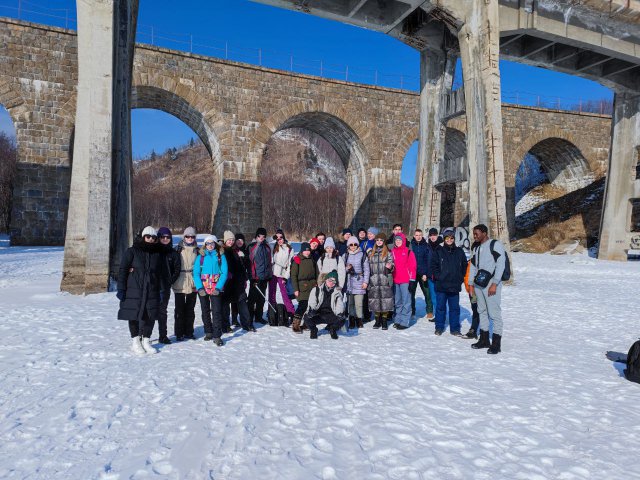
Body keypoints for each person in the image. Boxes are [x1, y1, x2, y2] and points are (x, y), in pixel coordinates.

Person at [117, 226, 168, 355]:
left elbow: (161, 273)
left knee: (150, 315)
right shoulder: (132, 251)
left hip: (152, 289)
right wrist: (121, 288)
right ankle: (135, 341)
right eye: (148, 236)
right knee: (133, 314)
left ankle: (146, 340)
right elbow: (123, 270)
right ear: (143, 237)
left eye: (153, 237)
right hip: (134, 289)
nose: (150, 239)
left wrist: (162, 290)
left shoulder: (157, 254)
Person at [468, 224, 507, 354]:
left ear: (484, 233)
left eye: (477, 234)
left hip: (491, 285)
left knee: (494, 313)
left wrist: (495, 284)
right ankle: (484, 340)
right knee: (481, 311)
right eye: (474, 234)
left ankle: (496, 344)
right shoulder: (476, 247)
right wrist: (470, 284)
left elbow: (501, 264)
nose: (475, 236)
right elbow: (473, 266)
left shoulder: (495, 245)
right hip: (478, 285)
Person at [430, 228, 468, 337]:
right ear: (444, 239)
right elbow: (433, 265)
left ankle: (455, 328)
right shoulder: (439, 250)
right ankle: (439, 327)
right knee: (440, 307)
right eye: (447, 238)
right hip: (441, 285)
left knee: (454, 308)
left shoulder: (459, 251)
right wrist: (438, 277)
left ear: (454, 239)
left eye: (451, 238)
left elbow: (464, 265)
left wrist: (460, 277)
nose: (449, 240)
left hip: (454, 285)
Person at [194, 235, 229, 346]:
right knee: (205, 310)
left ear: (215, 244)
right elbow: (196, 273)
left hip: (216, 287)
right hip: (203, 287)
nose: (210, 245)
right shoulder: (201, 257)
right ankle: (208, 331)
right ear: (205, 245)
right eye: (208, 243)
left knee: (216, 311)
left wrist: (218, 287)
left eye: (212, 243)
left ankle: (217, 335)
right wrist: (199, 287)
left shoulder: (220, 256)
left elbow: (224, 272)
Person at [221, 230, 255, 333]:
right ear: (225, 240)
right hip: (226, 283)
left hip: (238, 282)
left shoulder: (237, 251)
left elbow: (242, 266)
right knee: (225, 306)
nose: (231, 242)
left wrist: (243, 258)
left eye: (232, 240)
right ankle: (225, 326)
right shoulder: (222, 251)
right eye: (229, 240)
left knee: (242, 303)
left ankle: (247, 324)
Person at [172, 226, 199, 341]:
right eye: (187, 236)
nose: (190, 238)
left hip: (193, 281)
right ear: (184, 237)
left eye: (192, 236)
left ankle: (189, 331)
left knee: (190, 309)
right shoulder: (177, 249)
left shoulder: (198, 250)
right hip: (180, 281)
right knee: (179, 309)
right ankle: (179, 332)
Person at [304, 271, 345, 340]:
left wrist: (339, 313)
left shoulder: (337, 292)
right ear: (326, 279)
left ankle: (333, 329)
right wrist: (312, 310)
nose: (331, 283)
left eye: (334, 281)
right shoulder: (316, 290)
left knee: (342, 319)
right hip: (318, 314)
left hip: (331, 314)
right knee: (306, 317)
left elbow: (339, 304)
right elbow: (312, 301)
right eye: (330, 280)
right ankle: (313, 330)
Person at [157, 226, 180, 344]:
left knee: (162, 311)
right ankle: (143, 335)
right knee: (147, 311)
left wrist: (170, 281)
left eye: (168, 237)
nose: (165, 239)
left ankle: (163, 335)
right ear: (159, 237)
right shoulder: (154, 250)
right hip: (152, 286)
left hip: (164, 286)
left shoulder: (173, 253)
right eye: (163, 237)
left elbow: (177, 269)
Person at [268, 230, 295, 326]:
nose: (279, 240)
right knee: (272, 293)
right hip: (273, 272)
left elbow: (290, 265)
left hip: (282, 273)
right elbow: (266, 241)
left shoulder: (289, 248)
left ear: (284, 238)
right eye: (277, 238)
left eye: (281, 238)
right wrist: (273, 237)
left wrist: (285, 277)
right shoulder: (274, 246)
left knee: (285, 294)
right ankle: (271, 313)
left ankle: (291, 313)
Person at [367, 233, 394, 330]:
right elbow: (367, 267)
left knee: (385, 300)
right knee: (375, 300)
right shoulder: (371, 254)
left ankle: (384, 321)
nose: (379, 242)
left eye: (381, 240)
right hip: (374, 280)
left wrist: (390, 266)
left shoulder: (388, 253)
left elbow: (392, 264)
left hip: (384, 280)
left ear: (384, 241)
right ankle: (377, 320)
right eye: (377, 240)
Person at [290, 242, 319, 332]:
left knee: (311, 306)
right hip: (302, 286)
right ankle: (295, 325)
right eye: (305, 251)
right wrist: (295, 289)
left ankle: (306, 324)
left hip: (312, 285)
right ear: (302, 251)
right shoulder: (297, 260)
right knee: (302, 305)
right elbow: (293, 276)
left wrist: (317, 283)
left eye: (308, 251)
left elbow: (316, 272)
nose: (307, 252)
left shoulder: (312, 259)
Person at [343, 236, 370, 329]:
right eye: (351, 244)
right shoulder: (345, 255)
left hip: (360, 280)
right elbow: (342, 269)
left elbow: (367, 269)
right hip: (349, 282)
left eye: (355, 244)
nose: (353, 246)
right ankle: (351, 319)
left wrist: (366, 282)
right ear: (348, 245)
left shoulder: (363, 254)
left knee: (359, 303)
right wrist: (347, 268)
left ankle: (359, 319)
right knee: (350, 303)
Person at [391, 232, 416, 330]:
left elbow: (412, 267)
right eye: (396, 240)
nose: (398, 242)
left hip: (405, 280)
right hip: (396, 280)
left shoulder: (408, 251)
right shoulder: (392, 251)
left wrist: (412, 280)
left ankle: (405, 321)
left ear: (403, 241)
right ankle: (398, 320)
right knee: (398, 302)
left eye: (399, 240)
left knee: (406, 301)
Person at [248, 227, 272, 325]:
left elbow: (269, 262)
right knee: (252, 298)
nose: (261, 238)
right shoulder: (252, 246)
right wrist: (252, 277)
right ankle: (249, 317)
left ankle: (259, 316)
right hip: (256, 278)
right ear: (256, 236)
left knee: (261, 299)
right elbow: (249, 263)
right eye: (259, 236)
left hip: (265, 277)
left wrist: (269, 274)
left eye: (263, 236)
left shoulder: (267, 246)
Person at [409, 228, 434, 320]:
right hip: (413, 273)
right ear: (414, 236)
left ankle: (430, 311)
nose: (418, 237)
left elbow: (429, 260)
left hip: (423, 273)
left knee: (427, 292)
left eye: (420, 235)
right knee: (411, 293)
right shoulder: (411, 245)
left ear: (422, 236)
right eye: (416, 235)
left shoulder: (426, 246)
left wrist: (426, 274)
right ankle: (412, 311)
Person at [463, 240, 481, 339]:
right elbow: (466, 277)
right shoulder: (470, 262)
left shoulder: (484, 262)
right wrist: (469, 289)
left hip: (482, 291)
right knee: (475, 310)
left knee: (482, 311)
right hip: (472, 291)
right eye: (474, 249)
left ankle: (483, 331)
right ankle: (473, 330)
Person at [231, 233, 250, 326]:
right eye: (238, 240)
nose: (240, 242)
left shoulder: (245, 251)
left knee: (241, 299)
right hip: (233, 279)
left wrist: (244, 257)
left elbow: (247, 265)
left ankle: (243, 319)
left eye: (241, 241)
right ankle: (234, 319)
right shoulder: (233, 250)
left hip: (242, 279)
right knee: (234, 299)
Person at [426, 227, 442, 320]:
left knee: (440, 296)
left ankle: (441, 314)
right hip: (430, 276)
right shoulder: (427, 246)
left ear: (437, 235)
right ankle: (437, 314)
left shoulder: (441, 246)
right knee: (433, 297)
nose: (433, 237)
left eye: (434, 235)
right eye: (431, 235)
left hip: (439, 276)